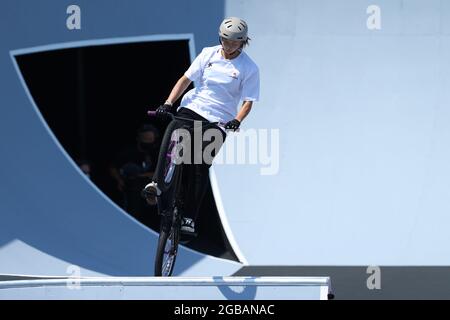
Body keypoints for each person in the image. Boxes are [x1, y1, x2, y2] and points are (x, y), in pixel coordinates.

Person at [143, 17, 260, 234]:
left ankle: (189, 218)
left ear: (243, 42)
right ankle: (157, 183)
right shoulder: (208, 53)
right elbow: (185, 80)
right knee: (173, 134)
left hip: (220, 118)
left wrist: (237, 120)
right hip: (193, 106)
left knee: (199, 165)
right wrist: (168, 103)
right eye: (226, 40)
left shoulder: (249, 68)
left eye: (235, 42)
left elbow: (248, 102)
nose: (229, 45)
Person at [110, 124, 160, 221]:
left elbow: (163, 173)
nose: (148, 142)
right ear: (139, 138)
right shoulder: (128, 152)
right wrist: (119, 180)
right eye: (145, 139)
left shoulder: (157, 154)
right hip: (131, 190)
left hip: (152, 190)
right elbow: (113, 168)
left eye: (151, 140)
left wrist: (144, 175)